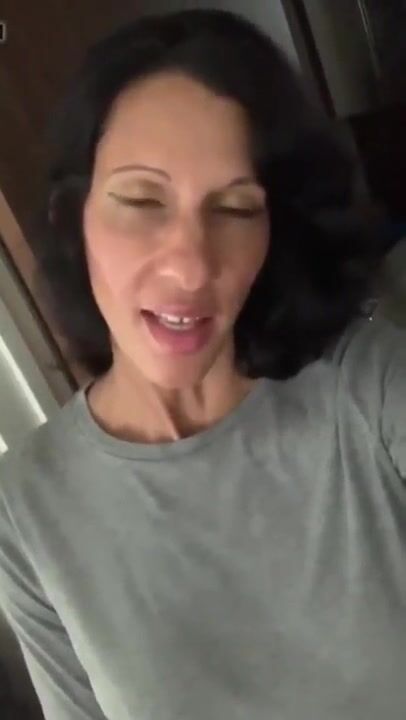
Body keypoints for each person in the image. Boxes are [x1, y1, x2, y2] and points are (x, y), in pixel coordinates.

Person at [0, 9, 405, 720]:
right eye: (142, 200)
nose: (191, 267)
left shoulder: (368, 389)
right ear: (72, 218)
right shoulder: (26, 507)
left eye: (236, 209)